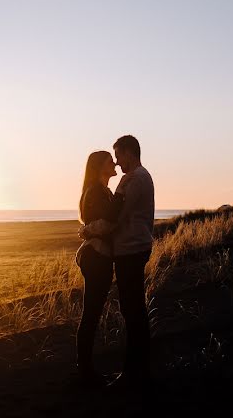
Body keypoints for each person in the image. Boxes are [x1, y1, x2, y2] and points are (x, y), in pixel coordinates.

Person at [107, 134, 155, 390]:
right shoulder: (136, 177)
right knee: (134, 309)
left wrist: (95, 228)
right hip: (132, 248)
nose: (117, 163)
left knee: (133, 310)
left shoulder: (137, 178)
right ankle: (138, 370)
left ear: (129, 152)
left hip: (132, 249)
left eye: (118, 156)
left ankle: (134, 372)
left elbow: (118, 216)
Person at [75, 150, 125, 386]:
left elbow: (104, 222)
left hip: (98, 255)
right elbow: (109, 222)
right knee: (91, 315)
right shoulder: (96, 192)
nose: (114, 163)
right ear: (98, 167)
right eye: (109, 160)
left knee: (91, 314)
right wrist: (122, 198)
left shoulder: (100, 191)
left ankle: (85, 370)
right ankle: (85, 372)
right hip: (96, 257)